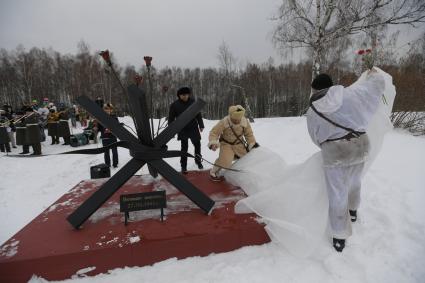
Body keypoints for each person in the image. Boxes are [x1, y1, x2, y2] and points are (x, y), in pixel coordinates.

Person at [305, 68, 386, 252]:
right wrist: (372, 74)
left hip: (335, 154)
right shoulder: (351, 94)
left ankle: (339, 236)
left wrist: (332, 143)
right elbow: (376, 86)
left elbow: (316, 137)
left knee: (337, 194)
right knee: (355, 181)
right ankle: (353, 211)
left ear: (315, 89)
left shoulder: (313, 111)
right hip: (360, 146)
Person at [208, 105, 258, 181]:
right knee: (225, 161)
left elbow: (249, 134)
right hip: (226, 144)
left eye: (238, 119)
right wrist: (213, 142)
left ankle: (240, 175)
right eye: (235, 119)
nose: (237, 121)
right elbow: (214, 132)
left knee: (246, 159)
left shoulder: (244, 121)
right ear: (231, 116)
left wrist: (252, 144)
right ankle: (213, 172)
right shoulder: (224, 121)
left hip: (239, 144)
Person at [168, 86, 204, 174]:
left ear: (188, 94)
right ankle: (183, 166)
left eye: (186, 94)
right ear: (179, 95)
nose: (185, 96)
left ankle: (198, 161)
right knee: (184, 148)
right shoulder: (174, 105)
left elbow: (198, 115)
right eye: (183, 95)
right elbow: (171, 118)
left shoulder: (193, 102)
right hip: (182, 128)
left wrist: (201, 125)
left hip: (193, 127)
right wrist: (171, 131)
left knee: (197, 145)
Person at [98, 103, 118, 168]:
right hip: (105, 137)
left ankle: (115, 164)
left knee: (114, 151)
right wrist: (96, 128)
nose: (107, 110)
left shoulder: (114, 117)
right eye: (106, 109)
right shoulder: (101, 118)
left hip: (113, 137)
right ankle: (107, 164)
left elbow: (118, 126)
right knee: (106, 152)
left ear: (111, 110)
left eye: (108, 109)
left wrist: (112, 130)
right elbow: (99, 128)